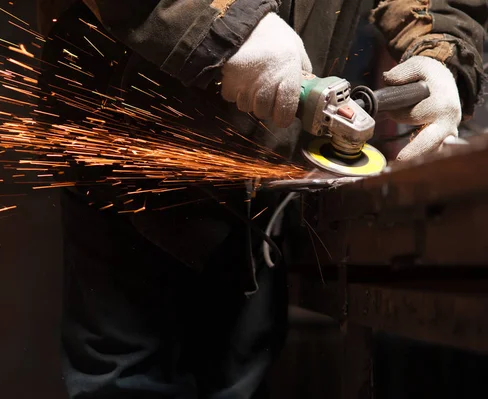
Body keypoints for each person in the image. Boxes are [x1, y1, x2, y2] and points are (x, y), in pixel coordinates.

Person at [36, 1, 487, 397]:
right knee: (129, 380)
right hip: (130, 154)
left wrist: (442, 53)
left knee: (236, 381)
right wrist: (221, 22)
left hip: (260, 178)